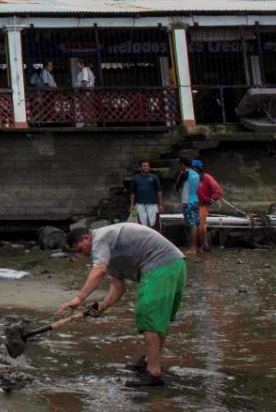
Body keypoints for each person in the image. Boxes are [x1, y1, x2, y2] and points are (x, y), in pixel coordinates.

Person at [60, 223, 186, 388]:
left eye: (79, 249)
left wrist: (78, 298)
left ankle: (153, 372)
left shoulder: (100, 239)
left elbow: (99, 271)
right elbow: (118, 285)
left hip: (160, 265)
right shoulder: (109, 248)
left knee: (148, 316)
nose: (81, 254)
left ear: (86, 238)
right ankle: (149, 361)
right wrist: (103, 306)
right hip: (175, 264)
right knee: (158, 318)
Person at [174, 157, 202, 256]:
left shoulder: (185, 174)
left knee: (192, 224)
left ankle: (192, 248)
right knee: (197, 223)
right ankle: (199, 247)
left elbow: (177, 187)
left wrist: (178, 177)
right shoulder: (196, 174)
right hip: (195, 200)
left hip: (187, 201)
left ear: (182, 164)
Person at [130, 160, 163, 230]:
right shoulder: (135, 178)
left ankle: (153, 239)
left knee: (153, 223)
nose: (146, 167)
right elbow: (133, 192)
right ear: (140, 168)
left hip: (152, 204)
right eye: (144, 166)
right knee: (142, 224)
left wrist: (160, 204)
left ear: (149, 167)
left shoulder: (154, 177)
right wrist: (132, 205)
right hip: (140, 204)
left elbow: (159, 191)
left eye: (147, 166)